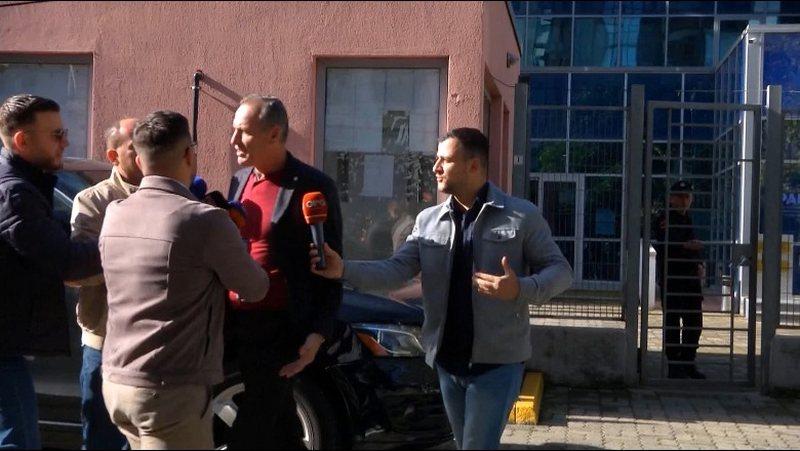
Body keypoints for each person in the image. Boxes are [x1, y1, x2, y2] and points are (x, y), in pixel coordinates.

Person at [310, 127, 573, 450]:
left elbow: (561, 271)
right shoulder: (428, 221)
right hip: (446, 363)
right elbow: (395, 269)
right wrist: (344, 269)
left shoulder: (520, 216)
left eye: (444, 160)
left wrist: (520, 288)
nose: (435, 167)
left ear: (473, 165)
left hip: (497, 363)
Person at [99, 111, 269, 449]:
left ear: (139, 159)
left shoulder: (115, 212)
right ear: (189, 154)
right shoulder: (205, 219)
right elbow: (255, 287)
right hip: (169, 389)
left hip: (117, 382)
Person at [226, 95, 343, 449]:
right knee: (281, 429)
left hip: (280, 328)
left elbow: (331, 270)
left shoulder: (311, 186)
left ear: (274, 134)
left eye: (243, 132)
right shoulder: (240, 180)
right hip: (237, 324)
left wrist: (318, 334)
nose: (233, 141)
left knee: (254, 425)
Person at [0, 94, 103, 449]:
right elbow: (66, 260)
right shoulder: (14, 195)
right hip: (3, 351)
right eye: (56, 134)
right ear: (22, 140)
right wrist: (125, 241)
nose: (66, 142)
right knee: (19, 441)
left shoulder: (25, 186)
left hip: (8, 344)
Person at [69, 118, 142, 449]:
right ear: (113, 156)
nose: (145, 152)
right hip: (105, 343)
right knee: (102, 439)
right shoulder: (93, 201)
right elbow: (79, 269)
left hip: (155, 345)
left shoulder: (174, 195)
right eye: (134, 148)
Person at [652, 180, 706, 380]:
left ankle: (688, 362)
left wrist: (699, 263)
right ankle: (674, 365)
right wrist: (685, 246)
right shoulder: (664, 218)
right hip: (673, 278)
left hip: (690, 279)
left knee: (694, 322)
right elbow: (664, 244)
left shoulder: (687, 218)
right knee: (673, 322)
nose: (685, 200)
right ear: (671, 198)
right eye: (681, 196)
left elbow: (693, 245)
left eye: (688, 197)